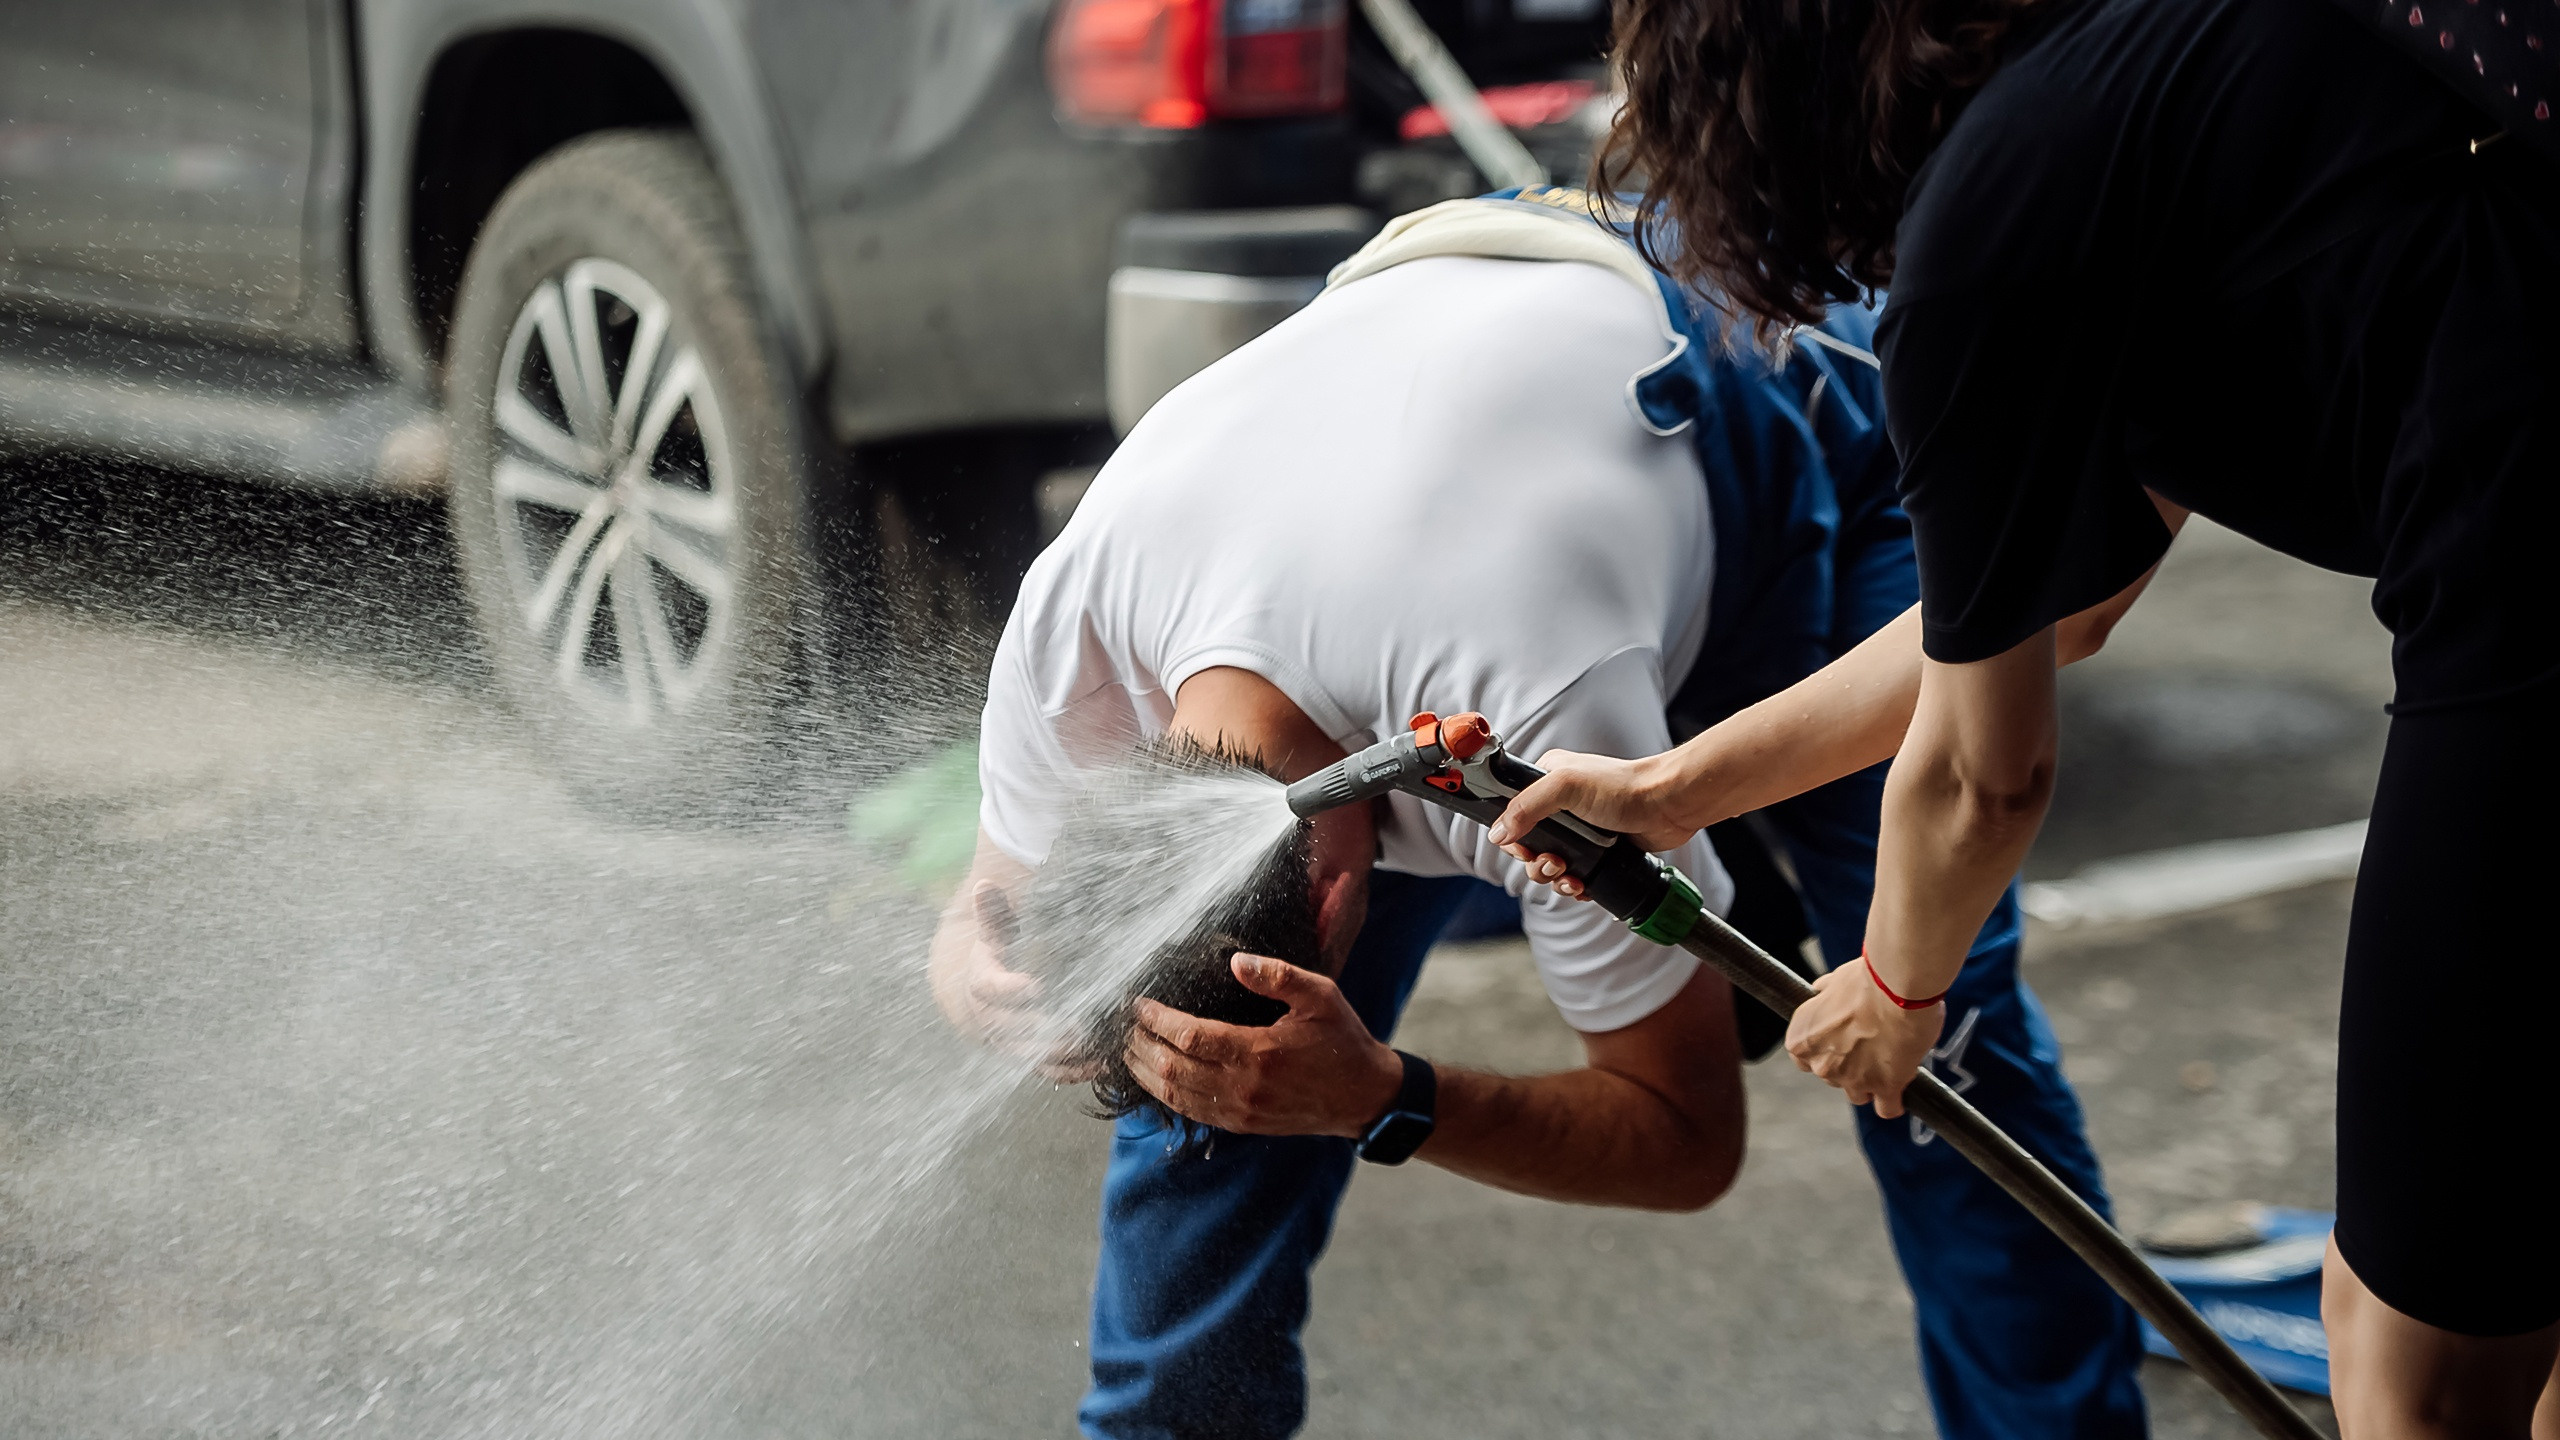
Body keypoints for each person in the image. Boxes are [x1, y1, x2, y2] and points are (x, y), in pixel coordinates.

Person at [1486, 0, 2560, 1433]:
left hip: (2536, 615)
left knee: (2412, 1348)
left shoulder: (1986, 236)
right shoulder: (2119, 105)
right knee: (2521, 1271)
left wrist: (1899, 988)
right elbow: (2048, 612)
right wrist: (1681, 787)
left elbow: (1987, 774)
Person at [931, 187, 2147, 1439]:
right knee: (1222, 1087)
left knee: (1934, 1047)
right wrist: (1006, 988)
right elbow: (976, 921)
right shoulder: (1071, 630)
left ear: (1351, 895)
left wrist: (1381, 1094)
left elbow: (1686, 1140)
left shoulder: (1535, 724)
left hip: (1768, 370)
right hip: (1494, 397)